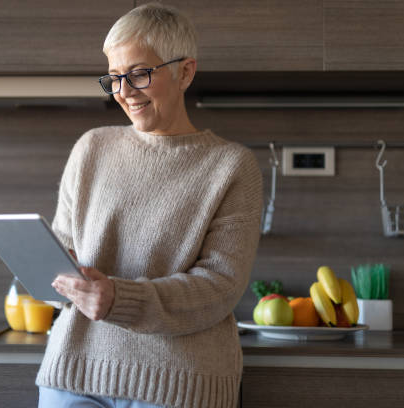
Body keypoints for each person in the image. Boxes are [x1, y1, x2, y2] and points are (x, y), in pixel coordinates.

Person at [36, 3, 263, 408]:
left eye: (139, 74)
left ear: (185, 72)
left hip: (178, 385)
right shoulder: (92, 148)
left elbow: (220, 287)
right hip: (73, 374)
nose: (123, 92)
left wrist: (118, 300)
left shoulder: (231, 166)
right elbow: (62, 250)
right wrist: (57, 275)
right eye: (114, 78)